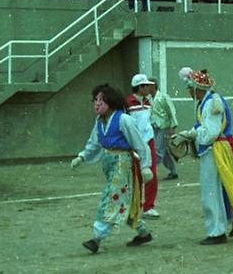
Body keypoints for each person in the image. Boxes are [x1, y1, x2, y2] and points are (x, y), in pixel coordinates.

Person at [174, 67, 233, 244]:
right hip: (216, 148)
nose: (188, 91)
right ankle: (229, 219)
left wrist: (190, 134)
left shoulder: (211, 103)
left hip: (214, 149)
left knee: (211, 192)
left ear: (197, 88)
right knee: (219, 189)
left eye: (190, 88)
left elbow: (211, 133)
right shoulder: (207, 102)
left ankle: (216, 232)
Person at [71, 84, 154, 253]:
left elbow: (139, 143)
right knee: (128, 199)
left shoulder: (123, 119)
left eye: (101, 100)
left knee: (111, 197)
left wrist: (145, 166)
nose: (97, 104)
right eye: (95, 100)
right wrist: (82, 156)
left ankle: (97, 238)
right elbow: (94, 142)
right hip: (109, 164)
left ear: (110, 101)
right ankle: (143, 232)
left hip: (122, 164)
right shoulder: (99, 121)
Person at [126, 74, 159, 218]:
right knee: (136, 175)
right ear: (139, 87)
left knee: (151, 174)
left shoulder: (148, 101)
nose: (148, 88)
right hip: (134, 144)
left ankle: (149, 207)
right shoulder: (127, 103)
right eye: (145, 86)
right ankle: (135, 206)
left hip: (149, 141)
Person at [148, 78, 178, 181]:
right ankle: (173, 172)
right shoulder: (150, 99)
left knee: (158, 151)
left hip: (164, 127)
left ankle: (150, 170)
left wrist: (173, 126)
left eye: (148, 85)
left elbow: (171, 111)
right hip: (155, 128)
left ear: (153, 86)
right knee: (164, 152)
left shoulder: (163, 97)